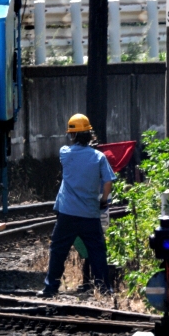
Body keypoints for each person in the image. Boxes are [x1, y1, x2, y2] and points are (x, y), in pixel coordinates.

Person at [38, 113, 116, 297]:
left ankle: (50, 288)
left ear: (72, 135)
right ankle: (104, 288)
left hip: (67, 213)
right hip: (89, 213)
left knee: (58, 249)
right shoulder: (99, 157)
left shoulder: (64, 153)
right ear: (89, 134)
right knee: (97, 250)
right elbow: (108, 182)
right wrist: (103, 200)